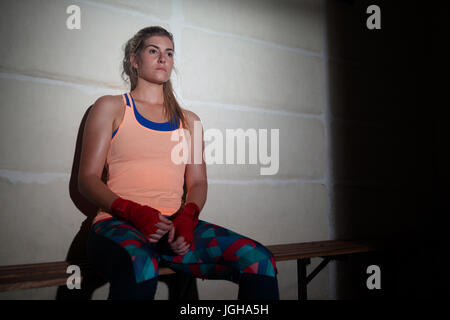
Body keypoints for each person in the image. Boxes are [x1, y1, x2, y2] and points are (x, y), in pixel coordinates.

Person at [79, 26, 279, 300]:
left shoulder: (190, 121)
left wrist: (188, 218)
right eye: (153, 51)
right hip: (118, 224)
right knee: (141, 265)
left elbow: (197, 182)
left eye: (169, 53)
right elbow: (87, 179)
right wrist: (135, 212)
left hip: (174, 228)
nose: (163, 58)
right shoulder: (111, 107)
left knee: (259, 261)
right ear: (134, 60)